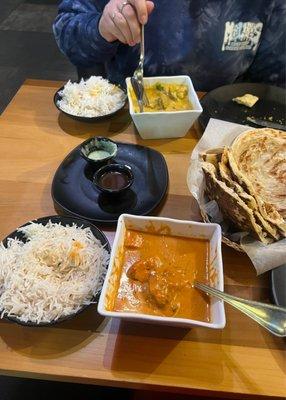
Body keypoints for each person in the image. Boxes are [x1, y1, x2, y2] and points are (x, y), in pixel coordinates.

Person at [53, 0, 286, 91]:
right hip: (125, 118)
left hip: (220, 124)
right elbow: (68, 33)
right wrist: (101, 28)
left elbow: (273, 84)